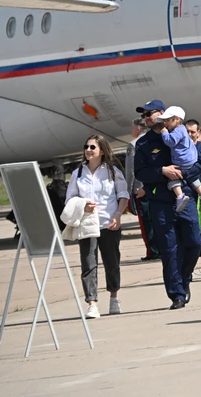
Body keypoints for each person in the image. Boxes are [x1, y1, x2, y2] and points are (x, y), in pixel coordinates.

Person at [134, 99, 201, 310]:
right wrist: (162, 171)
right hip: (161, 202)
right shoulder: (144, 144)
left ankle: (185, 277)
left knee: (194, 242)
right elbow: (140, 172)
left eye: (150, 113)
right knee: (169, 250)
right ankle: (177, 294)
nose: (146, 117)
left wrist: (185, 173)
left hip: (186, 198)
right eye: (144, 115)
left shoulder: (181, 133)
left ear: (162, 114)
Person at [67, 134, 129, 318]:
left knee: (112, 263)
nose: (88, 150)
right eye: (86, 146)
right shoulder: (77, 173)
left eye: (92, 147)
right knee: (88, 264)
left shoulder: (113, 171)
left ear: (102, 150)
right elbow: (70, 198)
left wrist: (118, 215)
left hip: (108, 223)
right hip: (86, 224)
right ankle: (92, 303)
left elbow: (123, 195)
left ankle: (114, 296)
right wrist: (82, 205)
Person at [158, 106, 201, 213]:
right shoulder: (182, 130)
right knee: (193, 178)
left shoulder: (178, 130)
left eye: (167, 120)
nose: (165, 123)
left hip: (182, 163)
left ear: (177, 119)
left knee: (173, 179)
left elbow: (170, 141)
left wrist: (163, 131)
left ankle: (180, 196)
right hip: (191, 162)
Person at [126, 117, 157, 261]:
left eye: (132, 127)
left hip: (141, 189)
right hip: (155, 186)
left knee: (146, 222)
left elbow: (131, 170)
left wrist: (129, 190)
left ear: (138, 129)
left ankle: (152, 251)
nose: (131, 130)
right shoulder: (155, 140)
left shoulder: (133, 145)